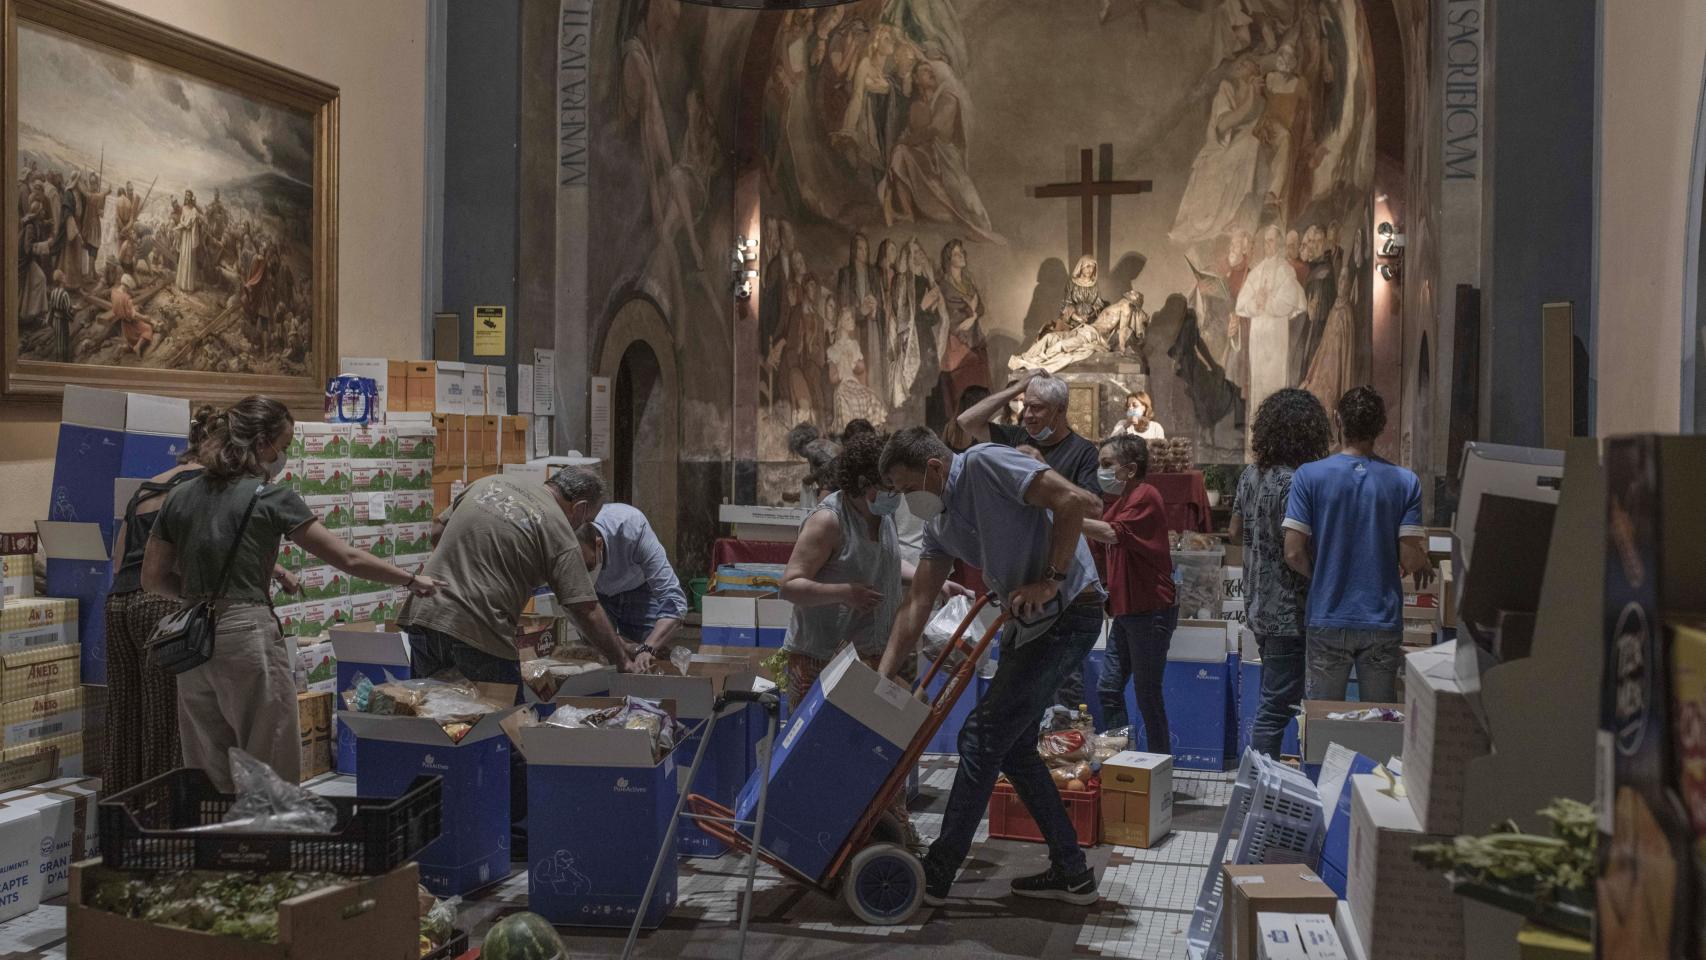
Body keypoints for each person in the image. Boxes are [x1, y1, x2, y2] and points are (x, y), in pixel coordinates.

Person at [143, 397, 443, 790]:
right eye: (282, 446)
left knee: (209, 765)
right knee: (269, 759)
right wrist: (409, 579)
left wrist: (202, 601)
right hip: (246, 635)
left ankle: (217, 828)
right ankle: (267, 830)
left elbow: (152, 578)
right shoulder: (269, 497)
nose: (282, 456)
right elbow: (347, 558)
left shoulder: (181, 496)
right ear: (262, 443)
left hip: (191, 640)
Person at [876, 427, 1106, 907]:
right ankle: (1072, 872)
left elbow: (1069, 501)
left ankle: (938, 873)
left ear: (934, 468)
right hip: (1030, 624)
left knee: (980, 737)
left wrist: (1051, 580)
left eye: (907, 488)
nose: (906, 501)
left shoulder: (985, 464)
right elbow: (917, 603)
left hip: (1068, 610)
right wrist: (880, 678)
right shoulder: (940, 525)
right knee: (1012, 747)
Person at [778, 433, 959, 847]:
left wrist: (935, 582)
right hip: (824, 660)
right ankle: (818, 842)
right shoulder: (829, 520)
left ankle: (886, 836)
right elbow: (789, 585)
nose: (894, 495)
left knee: (881, 752)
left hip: (873, 656)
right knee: (825, 758)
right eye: (886, 487)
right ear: (862, 483)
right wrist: (844, 593)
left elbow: (889, 564)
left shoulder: (882, 517)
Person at [400, 467, 644, 683]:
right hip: (482, 630)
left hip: (425, 615)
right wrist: (622, 661)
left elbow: (436, 532)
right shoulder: (559, 529)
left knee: (431, 713)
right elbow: (585, 608)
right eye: (588, 520)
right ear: (580, 509)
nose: (583, 527)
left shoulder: (490, 482)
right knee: (502, 716)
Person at [1283, 387, 1431, 702]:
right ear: (1381, 427)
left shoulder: (1308, 476)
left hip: (1328, 614)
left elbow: (1293, 552)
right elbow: (1409, 558)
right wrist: (1423, 560)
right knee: (1379, 719)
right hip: (1381, 618)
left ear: (1338, 420)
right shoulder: (1405, 482)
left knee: (1323, 720)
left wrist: (1323, 576)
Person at [103, 406, 215, 792]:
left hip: (119, 604)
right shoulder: (205, 486)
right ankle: (164, 816)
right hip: (164, 604)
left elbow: (118, 560)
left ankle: (122, 813)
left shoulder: (148, 486)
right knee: (166, 721)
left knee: (124, 717)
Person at [1229, 388, 1331, 758]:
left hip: (1258, 604)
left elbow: (1234, 532)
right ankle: (1260, 779)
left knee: (1273, 698)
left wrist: (1260, 542)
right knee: (1276, 707)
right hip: (1289, 610)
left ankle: (1262, 774)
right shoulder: (1296, 481)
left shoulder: (1250, 475)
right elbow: (1295, 551)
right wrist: (1322, 580)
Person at [1093, 435, 1176, 754]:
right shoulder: (1119, 502)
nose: (1101, 471)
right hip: (1125, 611)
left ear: (1129, 469)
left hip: (1149, 610)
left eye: (1106, 464)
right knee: (1108, 688)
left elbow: (1112, 533)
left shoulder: (1145, 495)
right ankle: (1119, 756)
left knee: (1147, 694)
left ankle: (1158, 762)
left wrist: (1067, 517)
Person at [956, 369, 1102, 500]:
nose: (1027, 415)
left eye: (1036, 407)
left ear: (1060, 409)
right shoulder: (1017, 437)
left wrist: (1045, 472)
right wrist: (1018, 387)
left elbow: (1092, 508)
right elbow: (966, 421)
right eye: (1025, 406)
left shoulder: (1084, 453)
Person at [586, 494, 689, 659]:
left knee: (653, 656)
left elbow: (674, 602)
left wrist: (648, 648)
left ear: (599, 545)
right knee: (600, 655)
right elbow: (577, 613)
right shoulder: (562, 540)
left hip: (638, 587)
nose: (589, 571)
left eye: (590, 566)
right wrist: (624, 647)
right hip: (595, 595)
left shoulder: (631, 526)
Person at [1235, 224, 1308, 435]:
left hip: (1277, 336)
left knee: (1276, 384)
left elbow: (1288, 302)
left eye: (1272, 240)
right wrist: (1255, 304)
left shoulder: (1286, 270)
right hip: (1258, 336)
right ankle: (1258, 436)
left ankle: (1277, 436)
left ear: (1280, 243)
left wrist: (1266, 302)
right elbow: (1241, 304)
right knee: (1259, 385)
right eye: (1265, 241)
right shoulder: (1256, 272)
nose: (1268, 245)